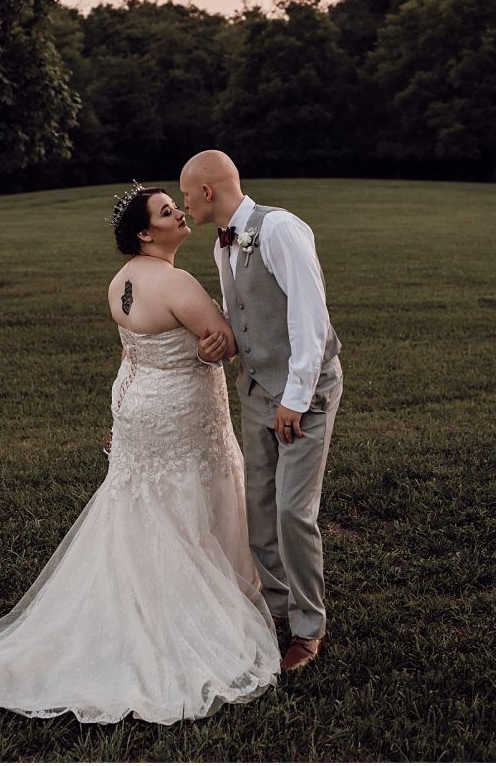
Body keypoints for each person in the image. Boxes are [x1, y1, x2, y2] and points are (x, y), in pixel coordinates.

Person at [0, 184, 280, 723]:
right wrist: (224, 338)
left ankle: (136, 600)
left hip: (135, 405)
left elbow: (135, 347)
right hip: (178, 412)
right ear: (146, 233)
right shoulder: (176, 281)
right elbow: (223, 341)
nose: (180, 214)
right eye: (167, 212)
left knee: (143, 505)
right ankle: (187, 613)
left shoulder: (120, 282)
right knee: (189, 492)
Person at [179, 151, 343, 673]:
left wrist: (296, 397)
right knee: (260, 507)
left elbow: (309, 316)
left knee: (294, 511)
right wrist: (219, 345)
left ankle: (309, 627)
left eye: (185, 193)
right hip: (254, 391)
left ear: (208, 190)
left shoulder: (278, 229)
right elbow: (241, 316)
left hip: (304, 392)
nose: (183, 203)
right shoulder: (221, 245)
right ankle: (276, 610)